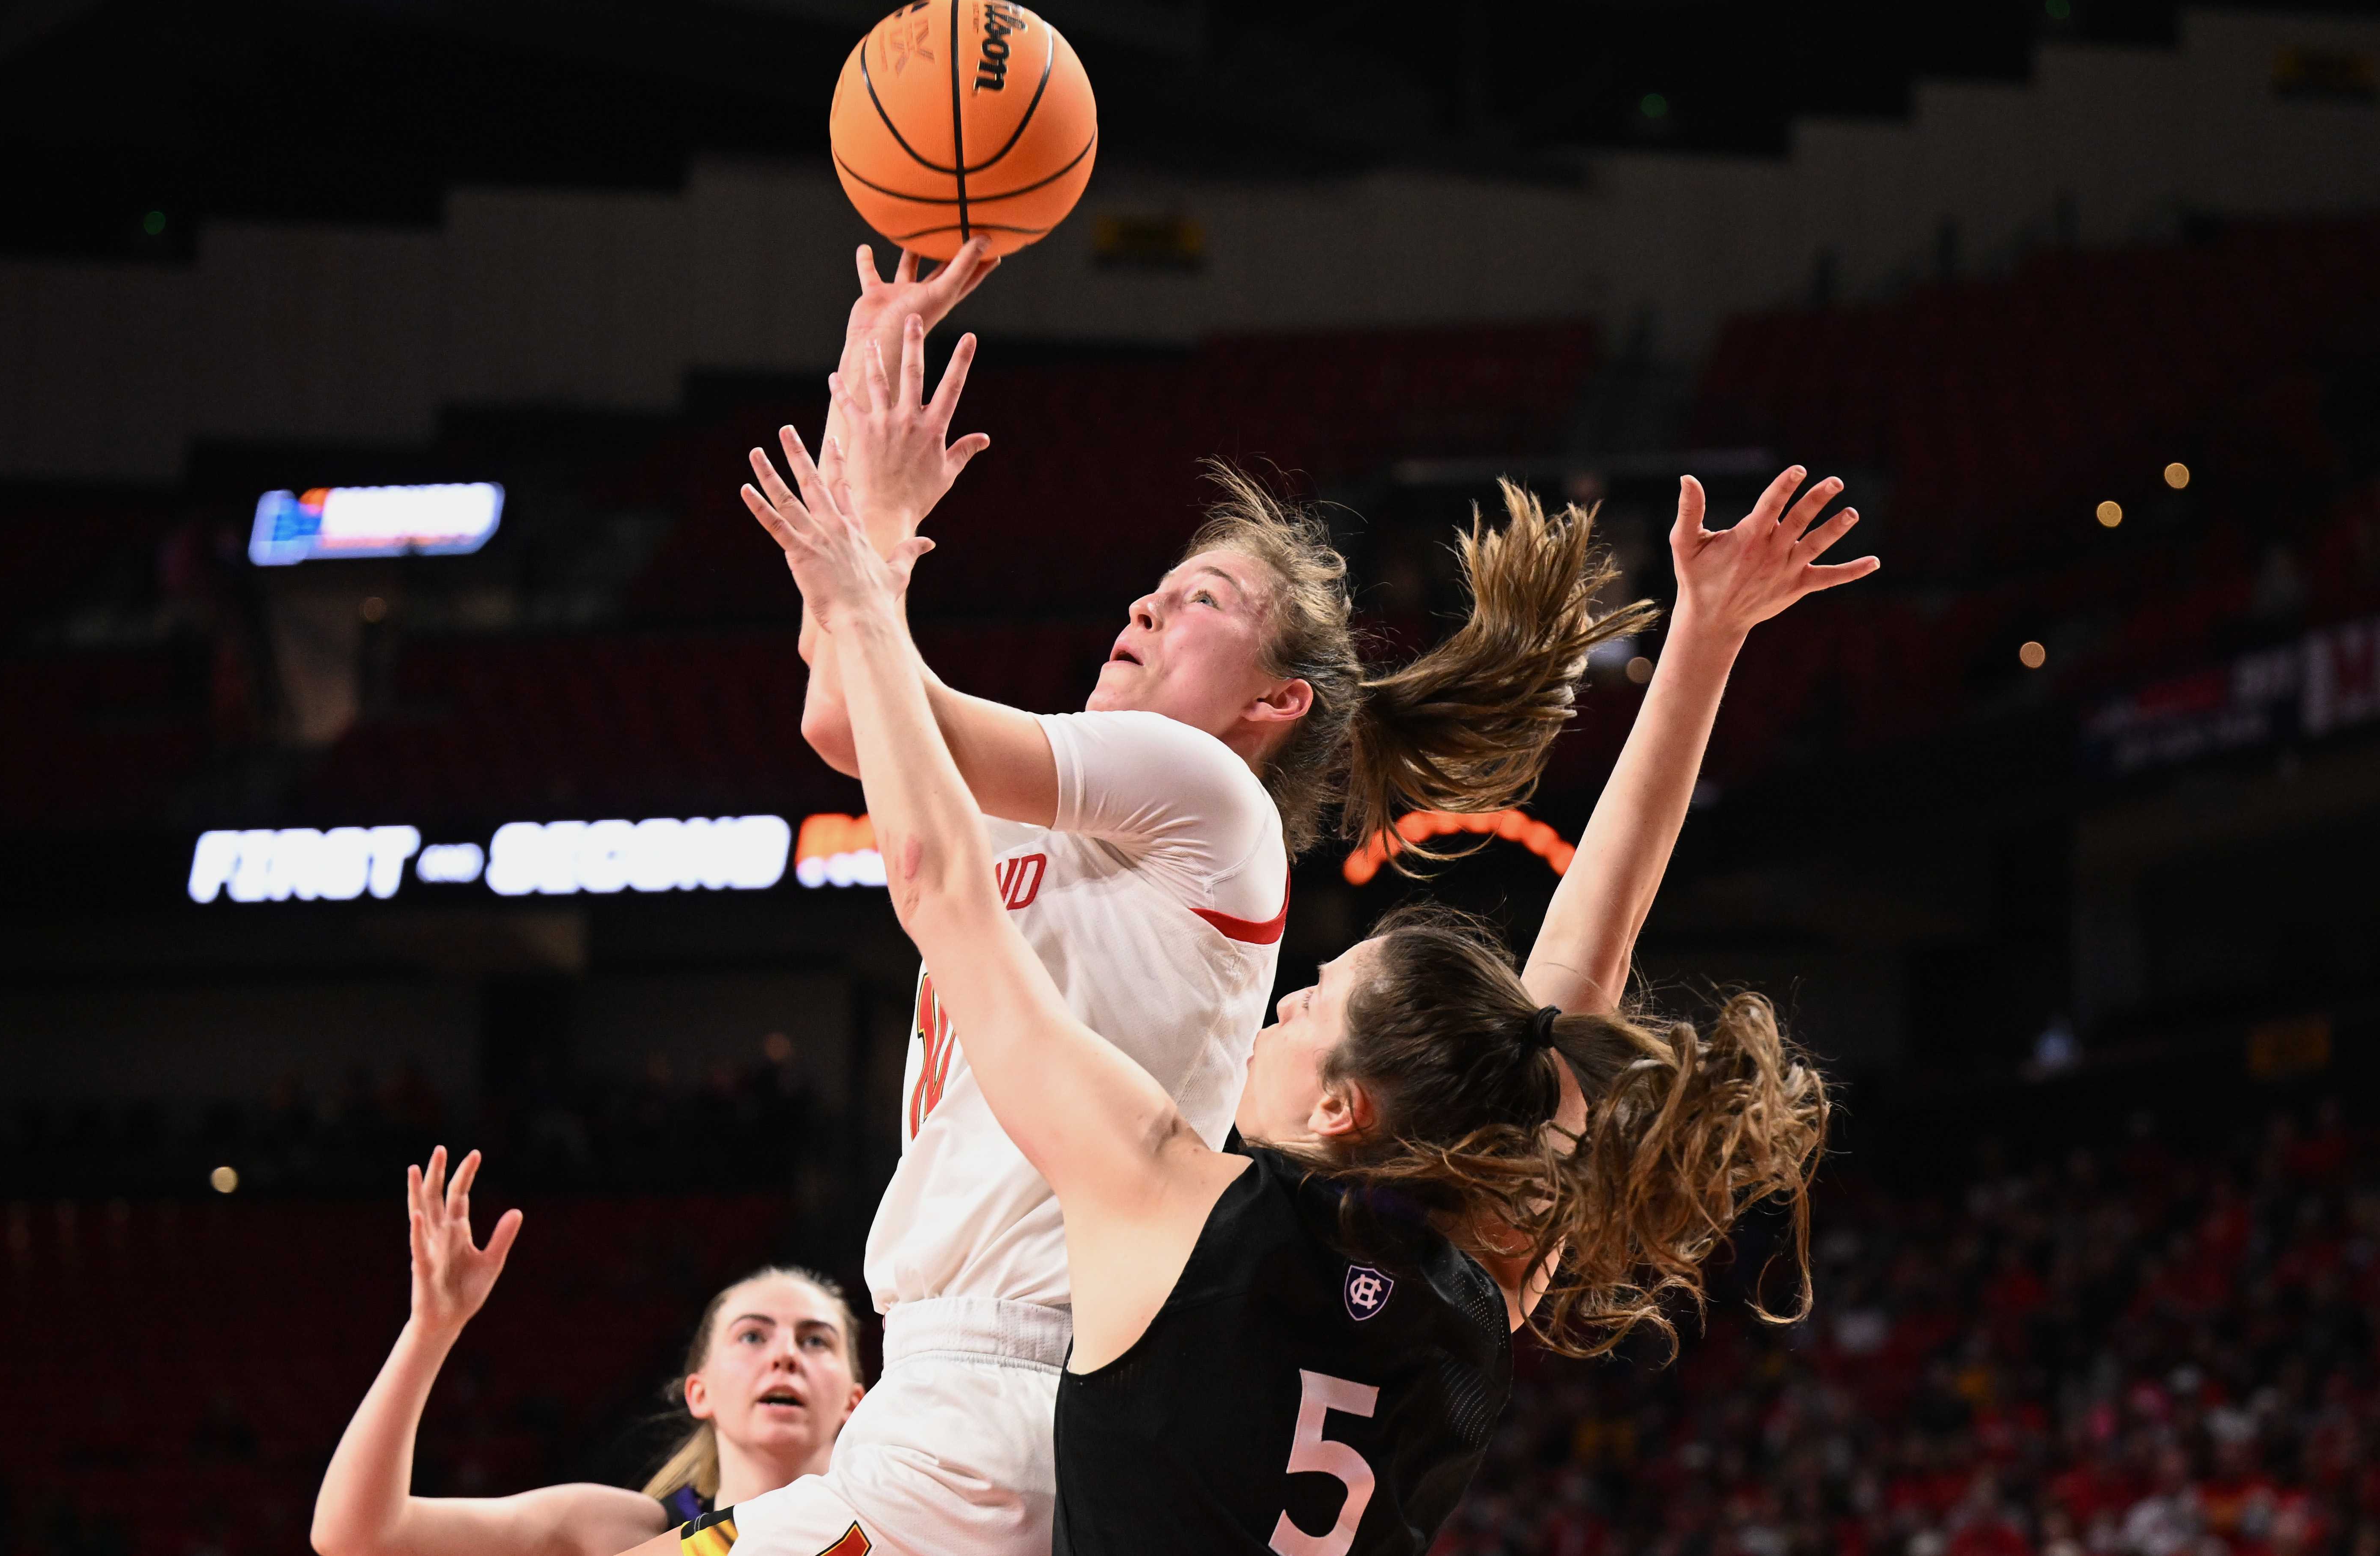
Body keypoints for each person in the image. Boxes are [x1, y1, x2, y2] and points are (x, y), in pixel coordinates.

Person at [693, 243, 1656, 1556]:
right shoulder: (1070, 795)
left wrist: (877, 508)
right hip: (956, 1384)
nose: (1146, 600)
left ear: (1273, 703)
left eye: (1201, 599)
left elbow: (876, 706)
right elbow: (842, 715)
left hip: (1014, 1378)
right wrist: (868, 430)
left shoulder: (1207, 796)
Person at [741, 435, 1867, 1553]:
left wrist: (865, 565)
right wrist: (1707, 640)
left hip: (976, 1449)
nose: (1278, 1002)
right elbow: (1583, 965)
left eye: (1308, 1003)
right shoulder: (1448, 1285)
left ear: (1342, 1106)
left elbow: (936, 882)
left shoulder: (1198, 1208)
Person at [312, 1148, 863, 1556]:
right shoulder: (619, 1530)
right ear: (699, 1391)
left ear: (855, 1401)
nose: (786, 1354)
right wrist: (430, 1330)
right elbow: (356, 1534)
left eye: (816, 1340)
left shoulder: (904, 1526)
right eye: (752, 1335)